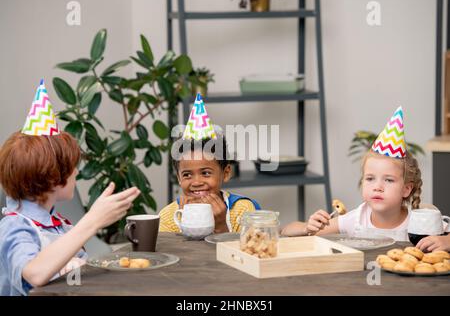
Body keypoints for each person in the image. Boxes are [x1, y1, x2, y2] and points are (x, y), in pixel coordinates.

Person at [0, 80, 140, 295]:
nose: (76, 172)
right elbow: (34, 273)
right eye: (72, 168)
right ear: (52, 178)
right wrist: (93, 220)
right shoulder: (14, 227)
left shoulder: (58, 225)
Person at [282, 106, 447, 248]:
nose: (377, 186)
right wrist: (308, 228)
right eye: (370, 178)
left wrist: (446, 242)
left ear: (406, 189)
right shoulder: (355, 219)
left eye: (388, 180)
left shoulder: (420, 223)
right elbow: (287, 230)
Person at [159, 94, 260, 233]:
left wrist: (220, 226)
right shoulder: (168, 217)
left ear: (226, 173)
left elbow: (248, 251)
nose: (196, 182)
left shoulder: (243, 210)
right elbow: (170, 254)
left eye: (205, 173)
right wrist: (186, 224)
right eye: (187, 174)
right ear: (178, 178)